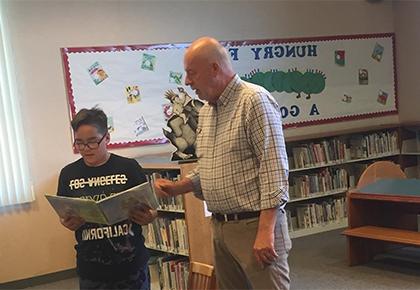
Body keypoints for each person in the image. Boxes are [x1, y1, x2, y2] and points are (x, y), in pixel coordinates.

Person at [154, 37, 292, 289]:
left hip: (254, 226)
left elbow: (274, 168)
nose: (187, 81)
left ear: (214, 68)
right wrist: (178, 187)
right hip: (220, 227)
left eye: (191, 73)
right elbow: (210, 167)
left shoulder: (254, 100)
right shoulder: (206, 111)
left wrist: (265, 231)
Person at [57, 107, 156, 290]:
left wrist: (149, 217)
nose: (85, 149)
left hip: (131, 265)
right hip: (92, 267)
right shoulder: (68, 174)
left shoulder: (129, 168)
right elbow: (65, 215)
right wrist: (68, 222)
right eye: (79, 143)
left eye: (92, 142)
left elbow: (150, 210)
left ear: (107, 138)